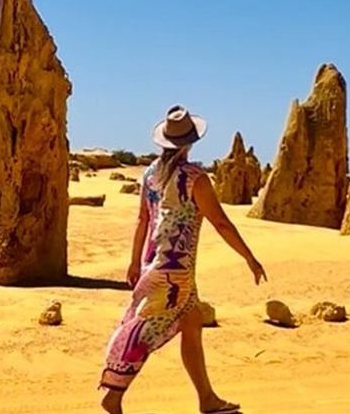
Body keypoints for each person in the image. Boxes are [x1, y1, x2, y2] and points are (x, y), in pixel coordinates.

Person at [99, 105, 268, 414]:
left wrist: (134, 263)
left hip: (157, 264)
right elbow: (221, 222)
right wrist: (250, 257)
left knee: (191, 324)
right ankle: (114, 394)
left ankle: (207, 398)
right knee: (147, 331)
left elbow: (141, 220)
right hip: (175, 273)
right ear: (190, 142)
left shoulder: (150, 174)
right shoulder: (195, 178)